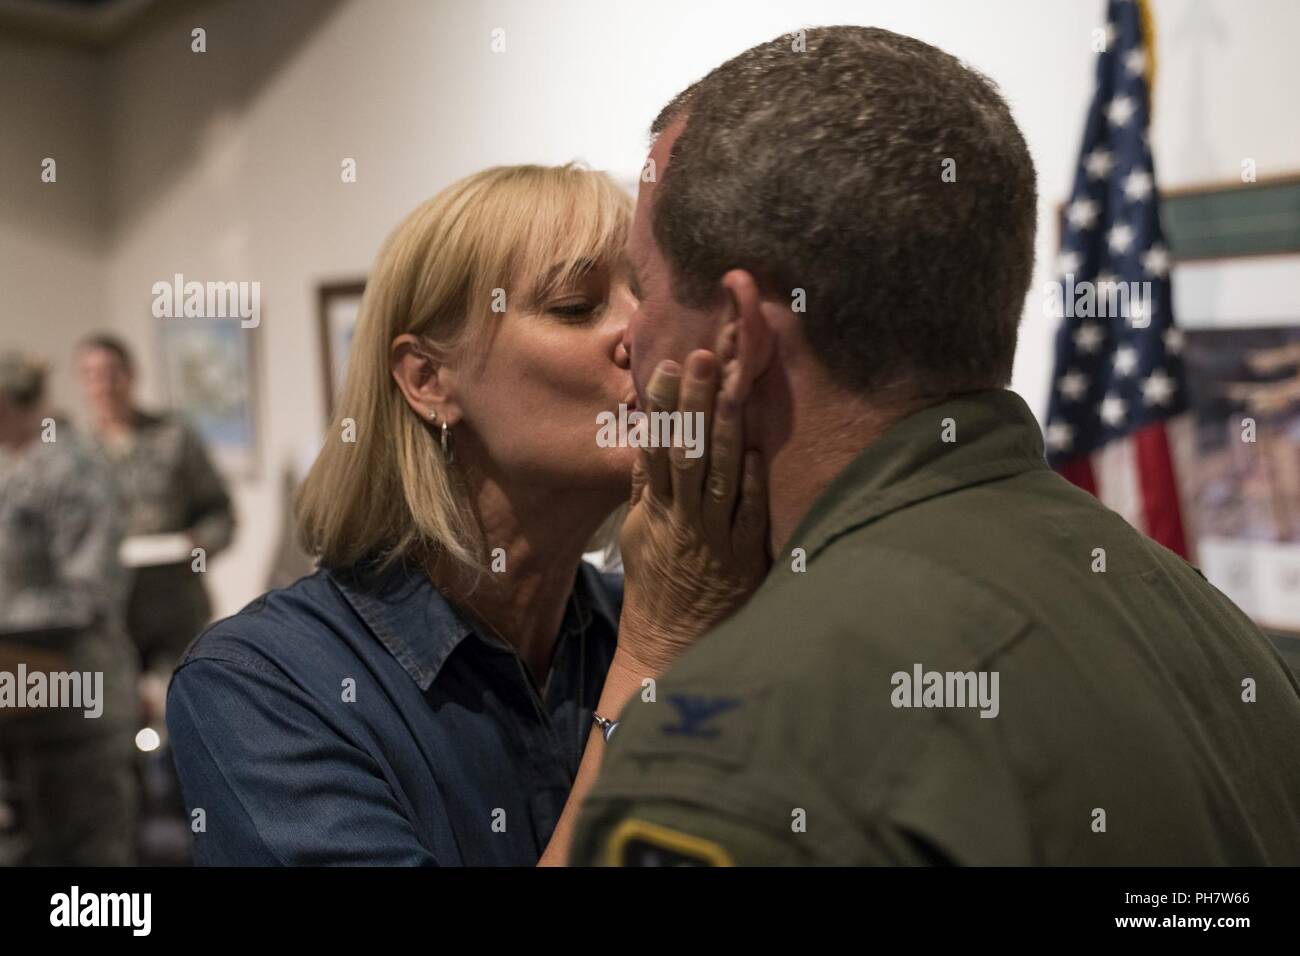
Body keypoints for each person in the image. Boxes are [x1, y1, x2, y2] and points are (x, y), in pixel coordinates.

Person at [570, 26, 1300, 866]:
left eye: (643, 286)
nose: (629, 337)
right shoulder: (1200, 618)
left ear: (737, 335)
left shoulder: (746, 737)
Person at [165, 163, 766, 865]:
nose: (643, 332)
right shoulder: (262, 683)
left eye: (646, 292)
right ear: (428, 380)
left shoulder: (644, 618)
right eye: (576, 305)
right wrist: (654, 658)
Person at [0, 351, 138, 865]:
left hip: (75, 699)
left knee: (88, 860)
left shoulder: (74, 467)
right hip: (19, 703)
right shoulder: (13, 463)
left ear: (14, 403)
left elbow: (91, 591)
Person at [76, 333, 236, 685]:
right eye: (92, 375)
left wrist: (199, 544)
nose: (104, 385)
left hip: (176, 611)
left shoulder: (174, 436)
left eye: (112, 372)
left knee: (184, 709)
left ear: (132, 374)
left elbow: (221, 512)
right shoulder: (73, 454)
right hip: (108, 620)